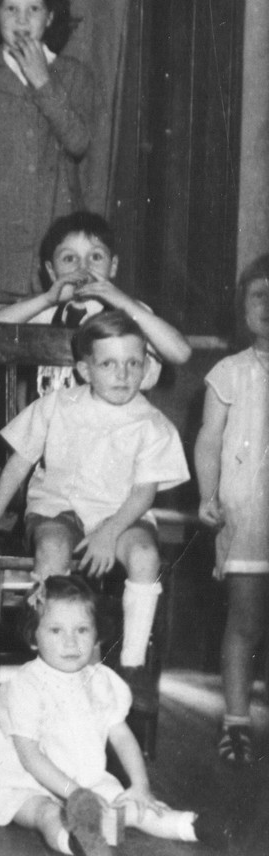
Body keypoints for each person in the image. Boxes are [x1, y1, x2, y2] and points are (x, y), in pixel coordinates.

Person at [0, 312, 191, 674]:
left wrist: (109, 533)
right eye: (108, 364)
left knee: (146, 556)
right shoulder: (57, 405)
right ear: (86, 370)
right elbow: (17, 466)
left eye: (133, 363)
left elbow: (143, 495)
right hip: (59, 510)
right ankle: (50, 659)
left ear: (146, 367)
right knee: (53, 548)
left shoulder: (152, 423)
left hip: (122, 514)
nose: (122, 374)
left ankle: (131, 665)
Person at [0, 576, 206, 853]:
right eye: (56, 631)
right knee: (46, 813)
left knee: (127, 803)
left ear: (97, 635)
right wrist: (74, 794)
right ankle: (72, 842)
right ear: (33, 637)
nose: (71, 642)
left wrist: (141, 786)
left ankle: (183, 825)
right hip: (28, 782)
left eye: (82, 630)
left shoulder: (101, 681)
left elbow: (121, 736)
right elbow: (29, 756)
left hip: (85, 778)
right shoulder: (25, 686)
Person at [0, 0, 97, 301]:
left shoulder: (73, 75)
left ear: (49, 18)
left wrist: (42, 81)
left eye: (33, 9)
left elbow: (78, 143)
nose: (21, 20)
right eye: (11, 9)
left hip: (47, 225)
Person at [195, 255, 269, 764]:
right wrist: (207, 494)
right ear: (243, 308)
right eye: (261, 295)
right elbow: (208, 440)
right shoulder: (230, 372)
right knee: (244, 621)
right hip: (247, 514)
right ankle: (236, 723)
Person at [0, 210, 192, 394]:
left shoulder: (130, 313)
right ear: (51, 272)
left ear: (113, 267)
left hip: (114, 427)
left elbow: (180, 353)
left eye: (95, 257)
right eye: (69, 259)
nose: (83, 267)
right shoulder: (47, 313)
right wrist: (45, 299)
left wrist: (122, 300)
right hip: (57, 426)